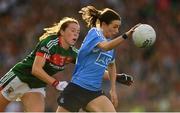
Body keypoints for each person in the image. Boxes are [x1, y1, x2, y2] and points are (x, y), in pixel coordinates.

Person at [0, 17, 133, 112]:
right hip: (19, 77)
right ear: (62, 32)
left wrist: (117, 76)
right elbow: (36, 69)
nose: (76, 34)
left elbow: (92, 70)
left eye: (78, 32)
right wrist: (56, 83)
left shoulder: (73, 53)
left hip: (36, 86)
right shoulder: (50, 43)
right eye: (72, 30)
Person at [56, 6, 140, 112]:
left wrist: (113, 90)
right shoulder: (94, 33)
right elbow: (105, 47)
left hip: (94, 92)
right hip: (77, 88)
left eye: (118, 28)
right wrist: (126, 35)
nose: (117, 31)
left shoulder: (111, 45)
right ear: (104, 24)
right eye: (114, 27)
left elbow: (111, 65)